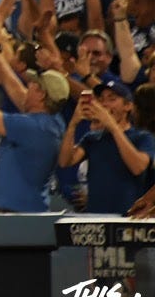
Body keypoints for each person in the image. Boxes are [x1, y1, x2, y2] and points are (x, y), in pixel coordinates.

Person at [0, 43, 68, 212]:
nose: (27, 88)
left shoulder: (29, 127)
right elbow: (13, 86)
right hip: (31, 212)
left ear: (41, 95)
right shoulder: (54, 122)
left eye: (33, 86)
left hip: (18, 218)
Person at [58, 81, 155, 214]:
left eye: (112, 99)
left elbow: (138, 168)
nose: (104, 104)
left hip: (127, 218)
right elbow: (65, 161)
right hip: (94, 218)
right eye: (101, 99)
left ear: (128, 106)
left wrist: (112, 126)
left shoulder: (142, 137)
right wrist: (73, 124)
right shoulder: (92, 138)